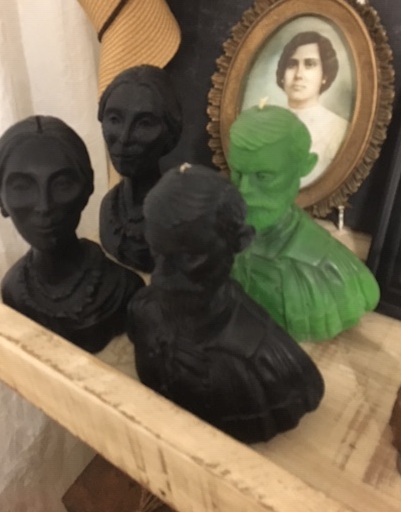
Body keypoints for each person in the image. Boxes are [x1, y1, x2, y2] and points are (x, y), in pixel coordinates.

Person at [128, 164, 324, 444]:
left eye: (188, 257)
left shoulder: (269, 363)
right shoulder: (142, 313)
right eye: (157, 252)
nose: (161, 274)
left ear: (239, 242)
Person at [0, 115, 144, 353]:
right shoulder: (14, 289)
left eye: (62, 184)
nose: (44, 205)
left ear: (86, 188)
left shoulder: (124, 288)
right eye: (22, 187)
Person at [229, 104, 379, 342]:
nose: (244, 189)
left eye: (264, 176)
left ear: (304, 166)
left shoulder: (337, 276)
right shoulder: (222, 242)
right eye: (237, 173)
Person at [98, 64, 182, 272]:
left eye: (144, 124)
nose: (124, 138)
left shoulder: (180, 218)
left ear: (170, 134)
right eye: (114, 119)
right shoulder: (109, 207)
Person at [276, 30, 349, 186]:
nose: (298, 74)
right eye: (291, 64)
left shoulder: (339, 130)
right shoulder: (264, 123)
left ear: (324, 76)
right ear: (282, 75)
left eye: (309, 64)